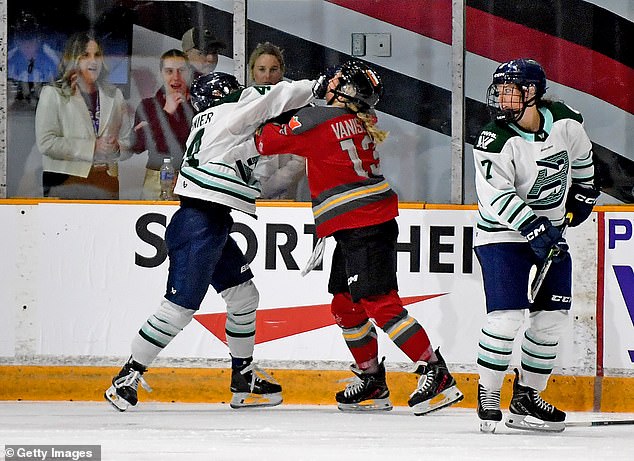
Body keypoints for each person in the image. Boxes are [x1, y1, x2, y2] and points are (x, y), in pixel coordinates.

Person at [255, 60, 464, 415]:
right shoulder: (352, 120)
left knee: (380, 304)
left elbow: (264, 141)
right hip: (358, 225)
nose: (328, 81)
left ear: (345, 90)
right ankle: (372, 381)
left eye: (336, 80)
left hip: (364, 225)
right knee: (344, 305)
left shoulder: (319, 119)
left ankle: (435, 372)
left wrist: (269, 106)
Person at [105, 72, 317, 411]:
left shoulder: (213, 126)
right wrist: (313, 88)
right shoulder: (227, 113)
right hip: (199, 222)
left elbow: (253, 154)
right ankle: (128, 375)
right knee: (179, 308)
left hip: (211, 220)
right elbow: (271, 99)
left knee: (244, 295)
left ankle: (243, 376)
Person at [472, 58, 599, 433]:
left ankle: (528, 395)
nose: (503, 98)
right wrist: (533, 227)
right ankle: (489, 392)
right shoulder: (494, 138)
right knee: (507, 318)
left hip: (551, 235)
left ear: (534, 92)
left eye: (512, 90)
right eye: (500, 90)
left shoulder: (566, 120)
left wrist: (583, 194)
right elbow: (496, 196)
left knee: (551, 319)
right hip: (501, 236)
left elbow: (583, 161)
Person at [35, 31, 132, 200]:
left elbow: (128, 142)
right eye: (86, 55)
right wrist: (93, 147)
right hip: (64, 182)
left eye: (97, 55)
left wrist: (116, 147)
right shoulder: (53, 94)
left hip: (106, 181)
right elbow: (46, 143)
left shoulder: (114, 95)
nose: (93, 61)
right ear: (74, 59)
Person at [249, 42, 308, 201]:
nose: (267, 76)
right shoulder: (241, 106)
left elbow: (299, 162)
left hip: (282, 200)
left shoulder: (295, 107)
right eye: (262, 69)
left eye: (273, 70)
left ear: (281, 71)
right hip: (243, 195)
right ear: (252, 71)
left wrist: (264, 192)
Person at [132, 49, 195, 200]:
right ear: (161, 73)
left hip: (191, 180)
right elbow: (136, 146)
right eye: (169, 71)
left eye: (181, 71)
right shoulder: (148, 106)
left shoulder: (198, 105)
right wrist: (166, 112)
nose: (176, 77)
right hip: (156, 179)